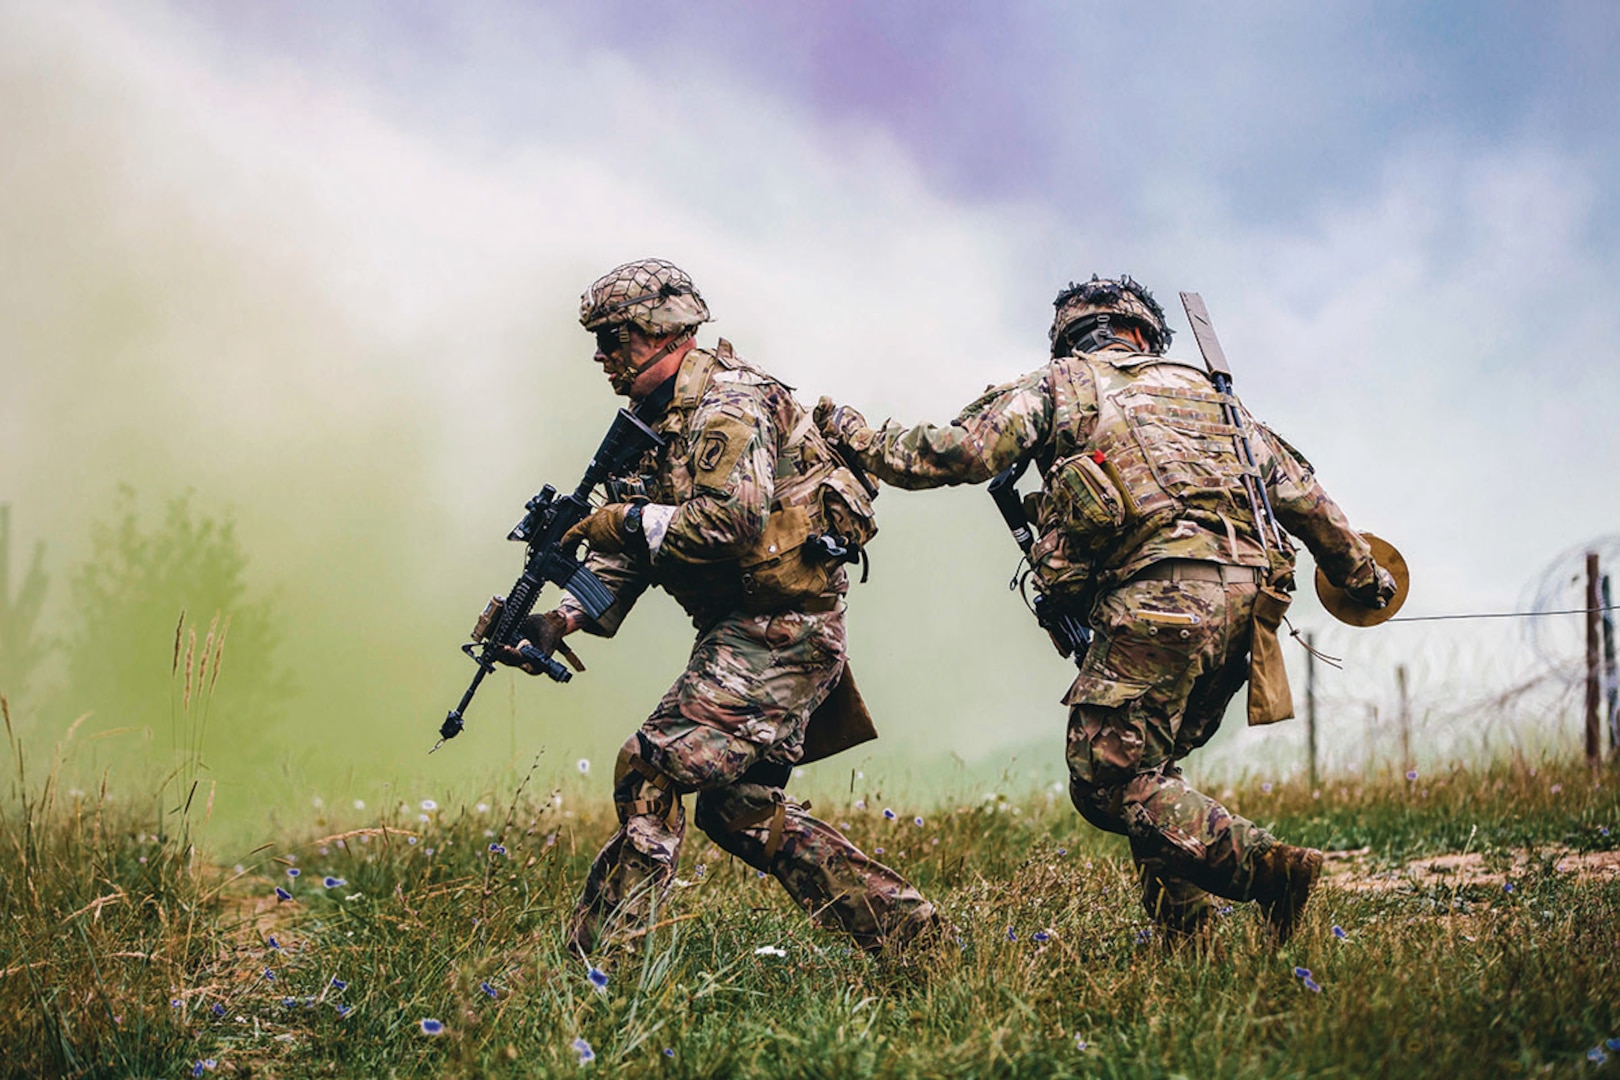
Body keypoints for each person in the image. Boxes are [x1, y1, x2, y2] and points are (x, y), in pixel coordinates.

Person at [817, 275, 1396, 945]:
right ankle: (1188, 936)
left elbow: (959, 453)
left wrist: (855, 433)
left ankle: (1268, 870)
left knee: (1106, 778)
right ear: (1147, 335)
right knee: (1149, 768)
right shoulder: (1220, 403)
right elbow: (1308, 503)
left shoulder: (1063, 384)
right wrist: (1365, 581)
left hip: (1160, 596)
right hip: (1251, 611)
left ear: (1068, 337)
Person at [497, 258, 940, 958]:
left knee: (649, 768)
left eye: (613, 339)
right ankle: (910, 936)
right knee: (739, 812)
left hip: (781, 630)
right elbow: (629, 548)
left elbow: (725, 523)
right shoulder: (654, 420)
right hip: (747, 630)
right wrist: (560, 619)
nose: (601, 357)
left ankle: (600, 965)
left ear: (657, 330)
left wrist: (621, 517)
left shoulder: (729, 403)